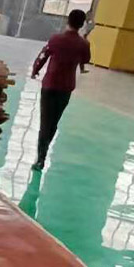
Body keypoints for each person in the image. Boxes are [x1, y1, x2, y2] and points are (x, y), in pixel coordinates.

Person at [31, 9, 92, 171]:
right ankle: (43, 154)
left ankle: (41, 158)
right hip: (66, 88)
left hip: (50, 85)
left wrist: (35, 69)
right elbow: (86, 59)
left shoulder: (55, 39)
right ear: (82, 24)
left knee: (45, 122)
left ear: (68, 20)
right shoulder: (83, 44)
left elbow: (43, 56)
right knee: (53, 123)